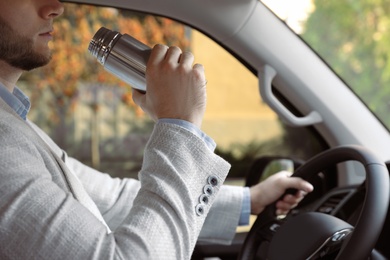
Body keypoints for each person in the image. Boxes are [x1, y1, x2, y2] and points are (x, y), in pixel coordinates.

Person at [0, 0, 313, 259]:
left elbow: (110, 201)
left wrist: (250, 200)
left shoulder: (13, 123)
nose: (55, 7)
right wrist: (180, 125)